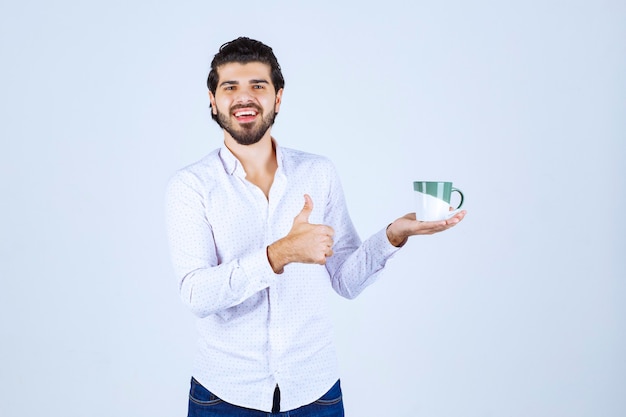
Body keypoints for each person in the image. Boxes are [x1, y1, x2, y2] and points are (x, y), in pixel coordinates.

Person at [165, 37, 466, 417]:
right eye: (230, 87)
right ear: (212, 100)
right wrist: (281, 253)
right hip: (224, 395)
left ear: (278, 97)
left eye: (258, 85)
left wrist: (393, 236)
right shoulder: (191, 186)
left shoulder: (317, 174)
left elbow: (346, 281)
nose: (245, 97)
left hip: (314, 392)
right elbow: (196, 294)